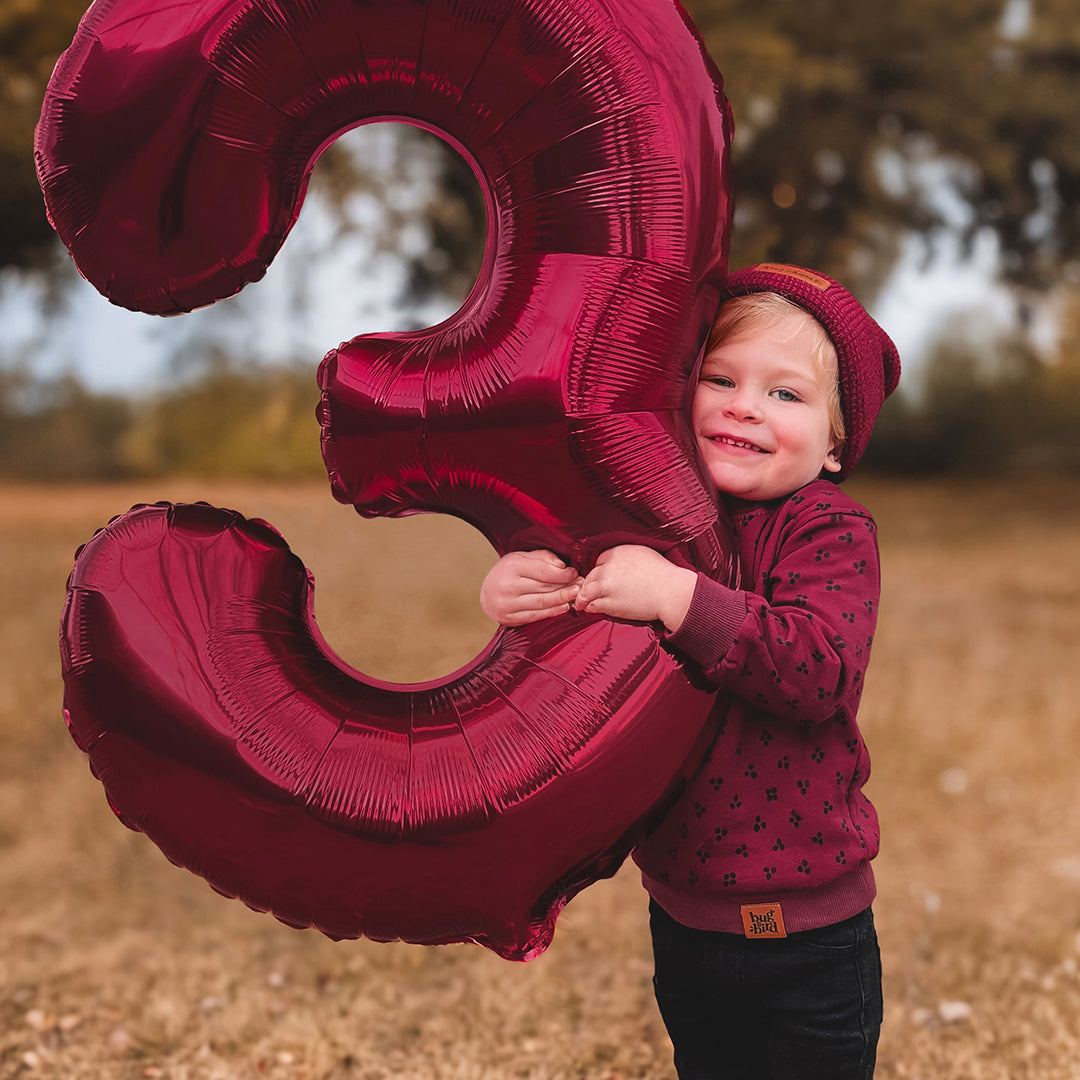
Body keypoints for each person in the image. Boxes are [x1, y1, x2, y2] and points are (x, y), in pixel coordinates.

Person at [480, 263, 901, 1079]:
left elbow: (817, 670)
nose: (744, 404)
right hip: (683, 912)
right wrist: (519, 589)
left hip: (812, 934)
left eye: (786, 395)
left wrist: (678, 595)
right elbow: (581, 636)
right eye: (720, 377)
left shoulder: (829, 529)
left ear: (838, 442)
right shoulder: (650, 515)